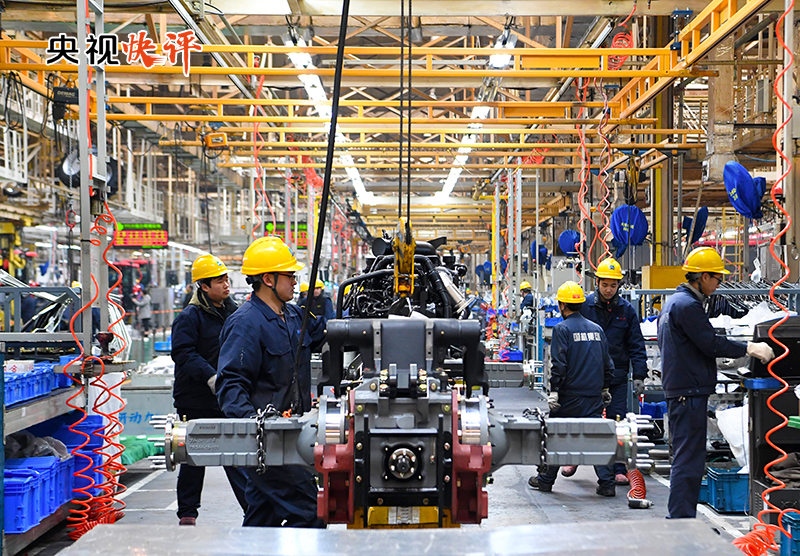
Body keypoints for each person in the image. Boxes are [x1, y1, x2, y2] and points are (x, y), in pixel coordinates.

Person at [216, 236, 327, 528]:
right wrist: (254, 430)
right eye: (289, 275)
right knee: (313, 513)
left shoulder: (293, 316)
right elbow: (231, 385)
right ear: (268, 279)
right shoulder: (246, 323)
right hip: (270, 442)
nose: (295, 281)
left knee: (262, 518)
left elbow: (329, 333)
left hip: (293, 436)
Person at [658, 247, 775, 519]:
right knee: (689, 458)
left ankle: (681, 516)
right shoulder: (688, 306)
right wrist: (749, 348)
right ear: (703, 276)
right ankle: (681, 519)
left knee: (687, 455)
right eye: (717, 278)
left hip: (683, 388)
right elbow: (710, 343)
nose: (719, 284)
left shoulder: (676, 301)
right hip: (688, 391)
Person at [171, 254, 247, 526]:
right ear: (204, 286)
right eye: (219, 281)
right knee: (194, 457)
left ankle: (252, 509)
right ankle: (187, 512)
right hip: (195, 399)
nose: (226, 285)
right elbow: (183, 353)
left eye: (226, 279)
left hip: (227, 397)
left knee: (236, 455)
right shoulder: (189, 317)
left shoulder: (233, 312)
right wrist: (210, 376)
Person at [528, 280, 616, 496]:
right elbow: (608, 364)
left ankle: (545, 480)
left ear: (561, 305)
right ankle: (607, 484)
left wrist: (554, 391)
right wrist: (605, 388)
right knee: (596, 437)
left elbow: (559, 364)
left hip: (569, 396)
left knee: (555, 436)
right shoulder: (597, 329)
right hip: (593, 396)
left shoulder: (562, 329)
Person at [579, 257, 647, 485]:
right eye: (605, 284)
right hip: (588, 376)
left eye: (613, 285)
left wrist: (639, 375)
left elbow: (636, 344)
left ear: (619, 285)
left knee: (618, 422)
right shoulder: (584, 307)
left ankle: (618, 467)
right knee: (585, 419)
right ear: (597, 283)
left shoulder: (627, 311)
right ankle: (575, 458)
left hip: (617, 377)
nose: (609, 289)